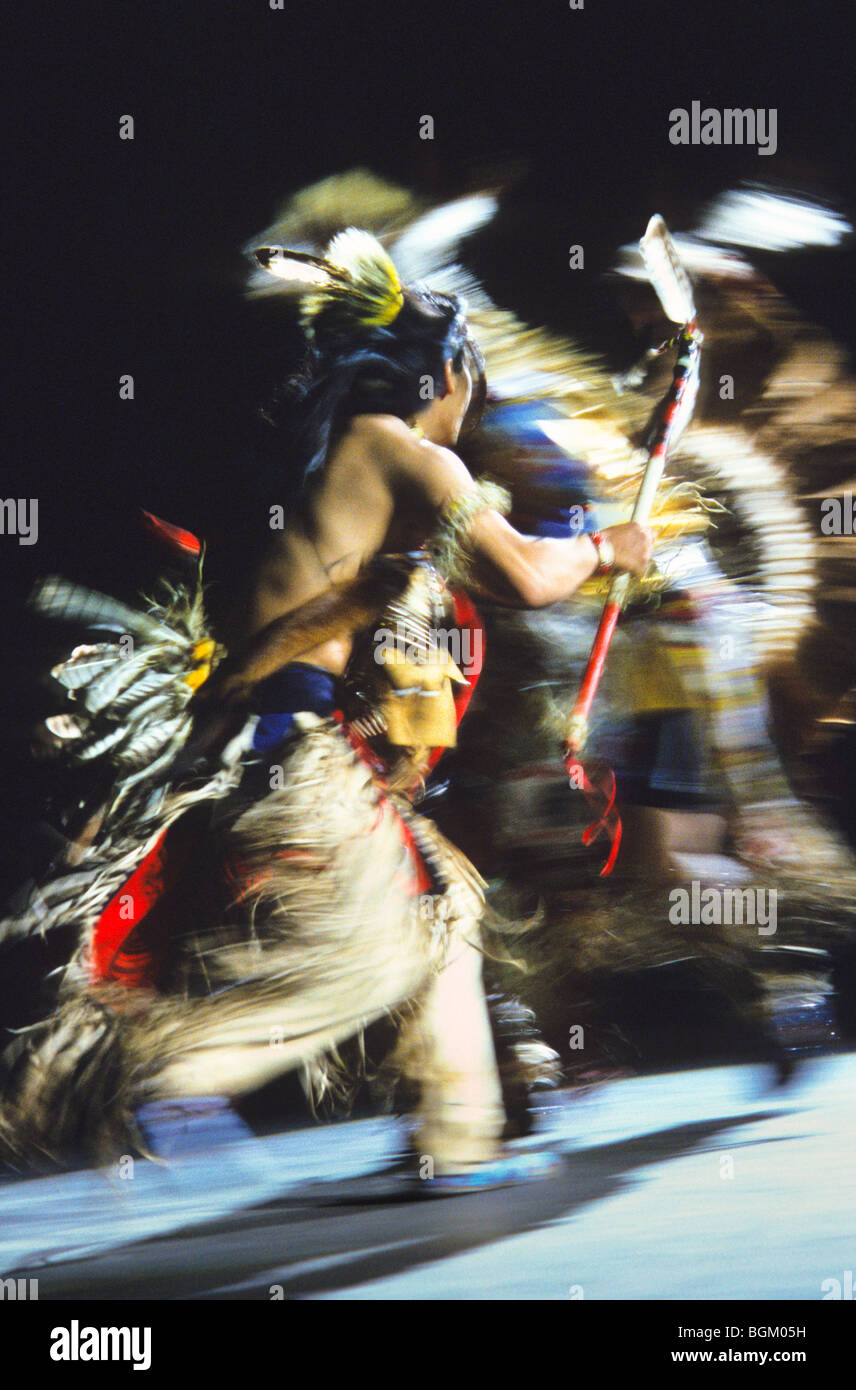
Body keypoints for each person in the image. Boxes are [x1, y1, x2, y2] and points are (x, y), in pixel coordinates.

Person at [0, 230, 652, 1187]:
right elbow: (520, 574)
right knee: (370, 957)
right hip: (289, 746)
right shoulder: (407, 457)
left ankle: (457, 1135)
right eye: (467, 379)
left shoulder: (311, 460)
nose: (471, 404)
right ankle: (159, 1077)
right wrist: (607, 552)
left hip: (269, 740)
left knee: (445, 906)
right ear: (440, 375)